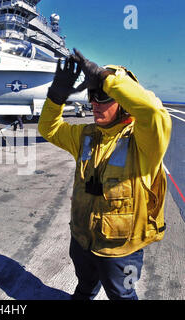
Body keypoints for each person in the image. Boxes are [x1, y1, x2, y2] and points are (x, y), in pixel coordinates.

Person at [38, 49, 172, 300]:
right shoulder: (85, 136)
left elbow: (153, 112)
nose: (95, 103)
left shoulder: (145, 142)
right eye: (92, 96)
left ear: (123, 101)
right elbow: (48, 128)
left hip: (121, 251)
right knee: (85, 288)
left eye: (104, 96)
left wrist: (104, 77)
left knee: (122, 295)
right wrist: (56, 97)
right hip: (82, 240)